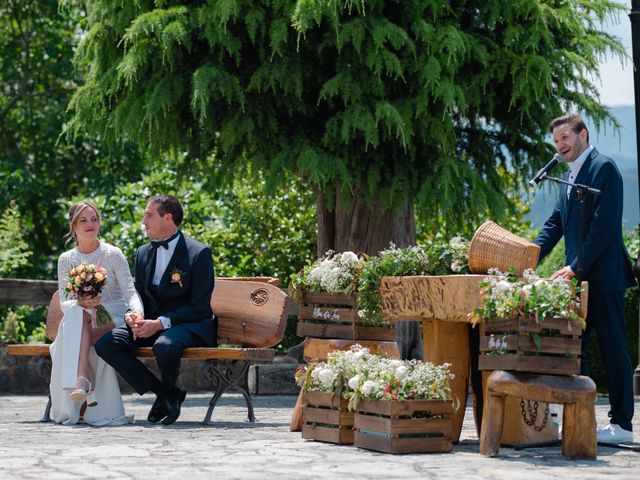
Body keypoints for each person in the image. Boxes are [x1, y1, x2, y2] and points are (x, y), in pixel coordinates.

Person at [534, 113, 636, 443]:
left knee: (613, 349)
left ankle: (621, 426)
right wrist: (527, 256)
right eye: (556, 141)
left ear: (583, 134)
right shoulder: (569, 177)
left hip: (604, 276)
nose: (560, 145)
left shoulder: (603, 168)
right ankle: (582, 418)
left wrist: (576, 266)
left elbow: (604, 228)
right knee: (574, 349)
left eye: (565, 137)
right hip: (578, 279)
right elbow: (554, 226)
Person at [95, 195, 217, 425]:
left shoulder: (199, 253)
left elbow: (200, 307)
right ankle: (165, 394)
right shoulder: (143, 252)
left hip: (189, 325)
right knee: (106, 344)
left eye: (149, 215)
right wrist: (135, 315)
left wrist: (160, 323)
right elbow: (137, 292)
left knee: (164, 346)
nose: (144, 221)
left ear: (167, 218)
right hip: (150, 323)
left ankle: (166, 396)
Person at [50, 200, 144, 425]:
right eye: (83, 220)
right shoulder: (66, 260)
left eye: (94, 219)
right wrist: (82, 302)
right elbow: (65, 302)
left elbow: (129, 291)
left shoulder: (112, 253)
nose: (90, 224)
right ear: (73, 226)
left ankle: (82, 380)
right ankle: (83, 381)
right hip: (83, 316)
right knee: (78, 314)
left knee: (77, 320)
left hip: (112, 315)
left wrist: (138, 312)